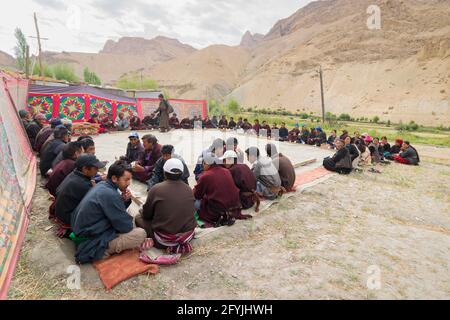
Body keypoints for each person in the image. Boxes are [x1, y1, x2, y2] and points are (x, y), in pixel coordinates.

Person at [71, 161, 149, 264]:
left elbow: (112, 211)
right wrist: (121, 203)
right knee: (140, 233)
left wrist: (124, 201)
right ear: (114, 178)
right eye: (126, 179)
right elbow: (126, 227)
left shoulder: (102, 185)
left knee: (127, 215)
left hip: (83, 229)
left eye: (130, 179)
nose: (129, 183)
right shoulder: (111, 194)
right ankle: (103, 251)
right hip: (89, 240)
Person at [135, 158, 197, 254]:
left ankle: (167, 243)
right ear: (182, 173)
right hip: (187, 236)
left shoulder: (156, 189)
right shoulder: (188, 189)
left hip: (163, 240)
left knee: (138, 218)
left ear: (164, 172)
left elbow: (147, 215)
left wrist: (142, 211)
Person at [52, 155, 105, 232]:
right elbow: (98, 203)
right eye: (95, 168)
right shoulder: (84, 185)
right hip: (68, 217)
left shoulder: (74, 174)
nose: (97, 171)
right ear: (85, 169)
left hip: (61, 212)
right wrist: (95, 189)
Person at [193, 152, 241, 227]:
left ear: (207, 163)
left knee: (193, 201)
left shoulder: (205, 175)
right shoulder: (226, 171)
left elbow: (196, 195)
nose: (202, 165)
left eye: (203, 163)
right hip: (233, 209)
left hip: (217, 212)